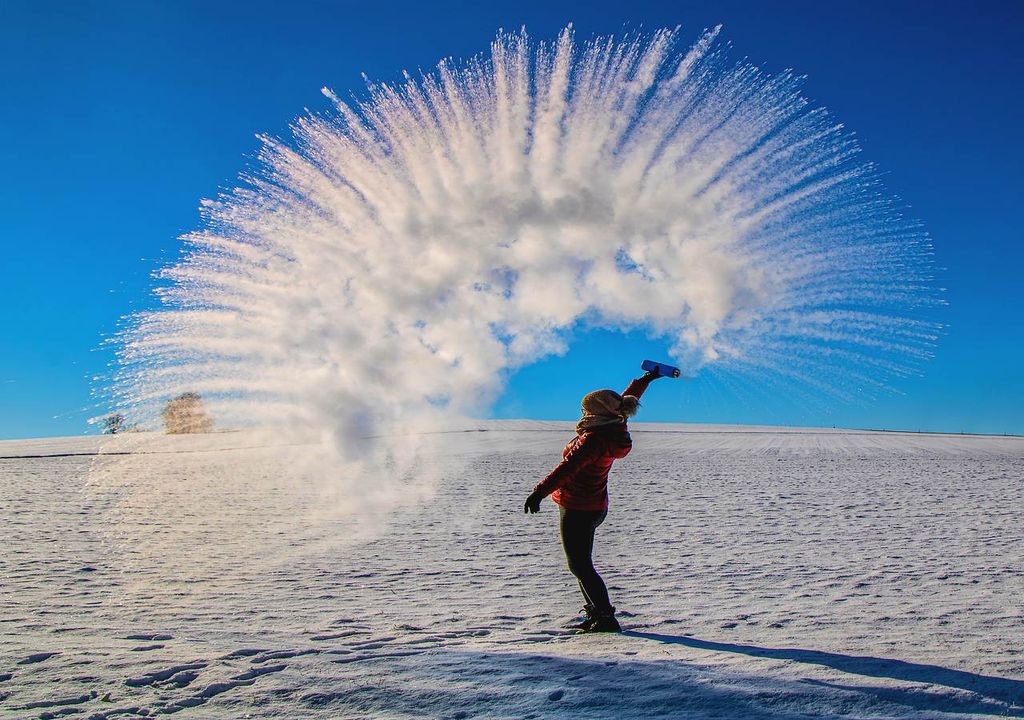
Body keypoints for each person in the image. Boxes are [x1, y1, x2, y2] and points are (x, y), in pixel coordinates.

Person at [524, 367, 664, 633]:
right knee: (580, 564)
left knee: (580, 565)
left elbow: (567, 468)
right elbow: (624, 401)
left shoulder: (593, 439)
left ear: (596, 412)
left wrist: (539, 492)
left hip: (577, 507)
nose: (583, 413)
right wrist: (645, 379)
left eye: (586, 409)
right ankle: (597, 613)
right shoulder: (614, 424)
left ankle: (605, 618)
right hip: (595, 506)